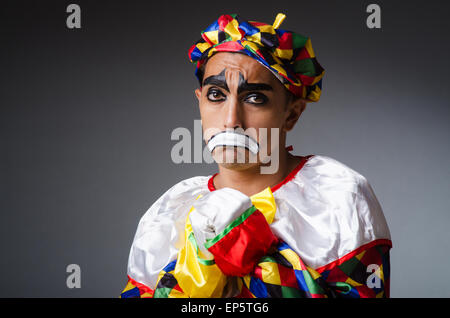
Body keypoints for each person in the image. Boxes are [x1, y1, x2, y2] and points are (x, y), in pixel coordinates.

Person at [121, 13, 392, 298]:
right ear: (200, 102)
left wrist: (251, 250)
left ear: (292, 114)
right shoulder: (171, 209)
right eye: (216, 95)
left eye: (254, 98)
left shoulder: (337, 195)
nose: (231, 120)